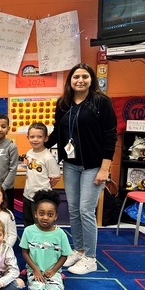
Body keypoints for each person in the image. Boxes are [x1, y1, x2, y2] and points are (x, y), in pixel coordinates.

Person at [46, 63, 117, 275]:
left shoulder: (101, 102)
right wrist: (40, 144)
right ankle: (78, 249)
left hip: (93, 166)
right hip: (70, 164)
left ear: (91, 79)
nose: (80, 80)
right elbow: (58, 132)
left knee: (86, 210)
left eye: (85, 77)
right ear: (70, 81)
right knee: (74, 210)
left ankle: (91, 257)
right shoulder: (63, 104)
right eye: (76, 77)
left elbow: (110, 136)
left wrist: (105, 169)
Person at [20, 190, 72, 290]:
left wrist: (54, 271)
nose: (45, 218)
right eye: (41, 213)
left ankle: (59, 277)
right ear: (36, 213)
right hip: (34, 270)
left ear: (56, 216)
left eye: (50, 214)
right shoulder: (29, 231)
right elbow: (24, 252)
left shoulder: (60, 234)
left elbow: (64, 255)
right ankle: (28, 274)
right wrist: (35, 269)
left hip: (52, 271)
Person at [23, 122, 61, 228]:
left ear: (45, 138)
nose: (35, 139)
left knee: (39, 224)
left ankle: (39, 243)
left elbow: (55, 177)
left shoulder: (48, 157)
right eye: (32, 137)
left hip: (40, 197)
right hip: (27, 195)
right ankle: (28, 243)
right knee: (28, 222)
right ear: (28, 138)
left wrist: (46, 188)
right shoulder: (29, 153)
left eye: (39, 137)